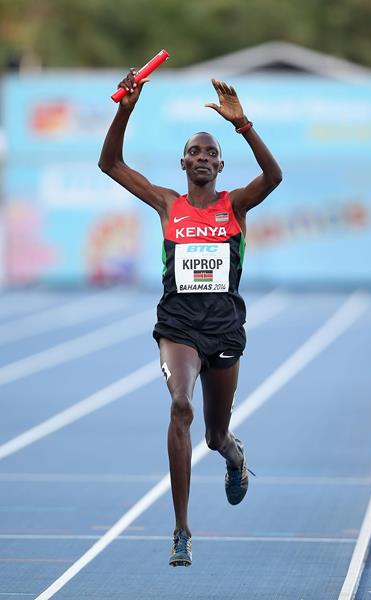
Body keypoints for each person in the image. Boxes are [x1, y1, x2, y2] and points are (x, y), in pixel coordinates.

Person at [99, 68, 282, 567]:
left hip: (223, 324)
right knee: (181, 407)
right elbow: (109, 163)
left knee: (213, 434)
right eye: (194, 151)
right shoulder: (167, 203)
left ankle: (233, 455)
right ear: (183, 162)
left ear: (220, 165)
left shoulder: (235, 205)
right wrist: (126, 107)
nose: (202, 157)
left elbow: (274, 177)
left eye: (210, 152)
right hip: (178, 324)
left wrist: (243, 125)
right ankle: (181, 530)